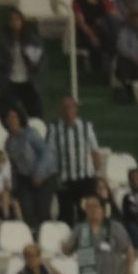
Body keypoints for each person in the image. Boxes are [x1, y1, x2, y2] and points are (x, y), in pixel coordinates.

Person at [46, 97, 102, 226]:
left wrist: (96, 174)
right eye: (65, 107)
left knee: (86, 212)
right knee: (66, 214)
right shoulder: (54, 128)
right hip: (64, 179)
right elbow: (49, 154)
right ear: (60, 110)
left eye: (71, 107)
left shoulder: (86, 126)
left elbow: (94, 150)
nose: (68, 111)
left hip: (85, 178)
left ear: (76, 109)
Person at [0, 10, 46, 119]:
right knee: (11, 112)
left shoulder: (32, 40)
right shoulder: (3, 41)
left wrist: (33, 63)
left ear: (22, 21)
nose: (15, 22)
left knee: (35, 112)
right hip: (10, 81)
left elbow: (40, 60)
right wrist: (8, 59)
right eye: (12, 19)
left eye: (17, 19)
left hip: (28, 81)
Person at [72, 0, 117, 75]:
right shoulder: (78, 3)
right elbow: (81, 22)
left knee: (107, 25)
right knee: (97, 43)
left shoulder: (104, 0)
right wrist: (93, 36)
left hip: (106, 31)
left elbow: (114, 17)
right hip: (88, 31)